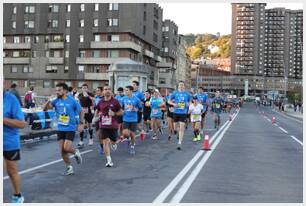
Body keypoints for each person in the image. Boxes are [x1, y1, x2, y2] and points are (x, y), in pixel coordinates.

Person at [43, 83, 84, 175]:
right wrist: (48, 101)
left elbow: (81, 111)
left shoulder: (72, 101)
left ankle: (75, 151)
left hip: (70, 127)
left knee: (66, 148)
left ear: (65, 91)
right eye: (56, 90)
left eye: (59, 90)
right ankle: (69, 167)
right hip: (60, 127)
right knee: (62, 150)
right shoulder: (55, 101)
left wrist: (81, 123)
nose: (57, 92)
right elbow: (44, 109)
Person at [4, 91, 26, 203]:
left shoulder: (11, 99)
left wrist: (2, 119)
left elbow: (22, 124)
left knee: (11, 170)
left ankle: (17, 196)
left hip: (9, 142)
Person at [94, 86, 122, 167]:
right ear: (103, 92)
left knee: (113, 141)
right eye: (105, 89)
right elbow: (97, 110)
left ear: (111, 91)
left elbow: (121, 112)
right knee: (105, 142)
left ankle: (113, 143)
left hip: (113, 125)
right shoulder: (100, 102)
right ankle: (109, 160)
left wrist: (114, 114)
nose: (107, 91)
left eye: (109, 89)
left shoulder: (115, 101)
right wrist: (95, 117)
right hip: (103, 125)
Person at [168, 81, 192, 150]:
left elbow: (190, 102)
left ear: (184, 86)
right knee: (175, 127)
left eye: (182, 85)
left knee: (182, 127)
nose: (181, 86)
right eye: (180, 85)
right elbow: (169, 101)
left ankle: (179, 143)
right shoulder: (175, 93)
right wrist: (174, 104)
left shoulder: (187, 94)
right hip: (176, 112)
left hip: (183, 112)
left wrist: (188, 104)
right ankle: (177, 132)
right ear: (178, 86)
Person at [121, 85, 142, 155]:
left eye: (127, 90)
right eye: (125, 90)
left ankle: (132, 147)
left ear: (131, 91)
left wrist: (134, 108)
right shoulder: (124, 98)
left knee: (133, 135)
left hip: (133, 119)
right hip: (125, 118)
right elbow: (121, 107)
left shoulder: (136, 99)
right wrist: (122, 111)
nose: (125, 91)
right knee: (125, 133)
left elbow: (140, 108)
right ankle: (128, 138)